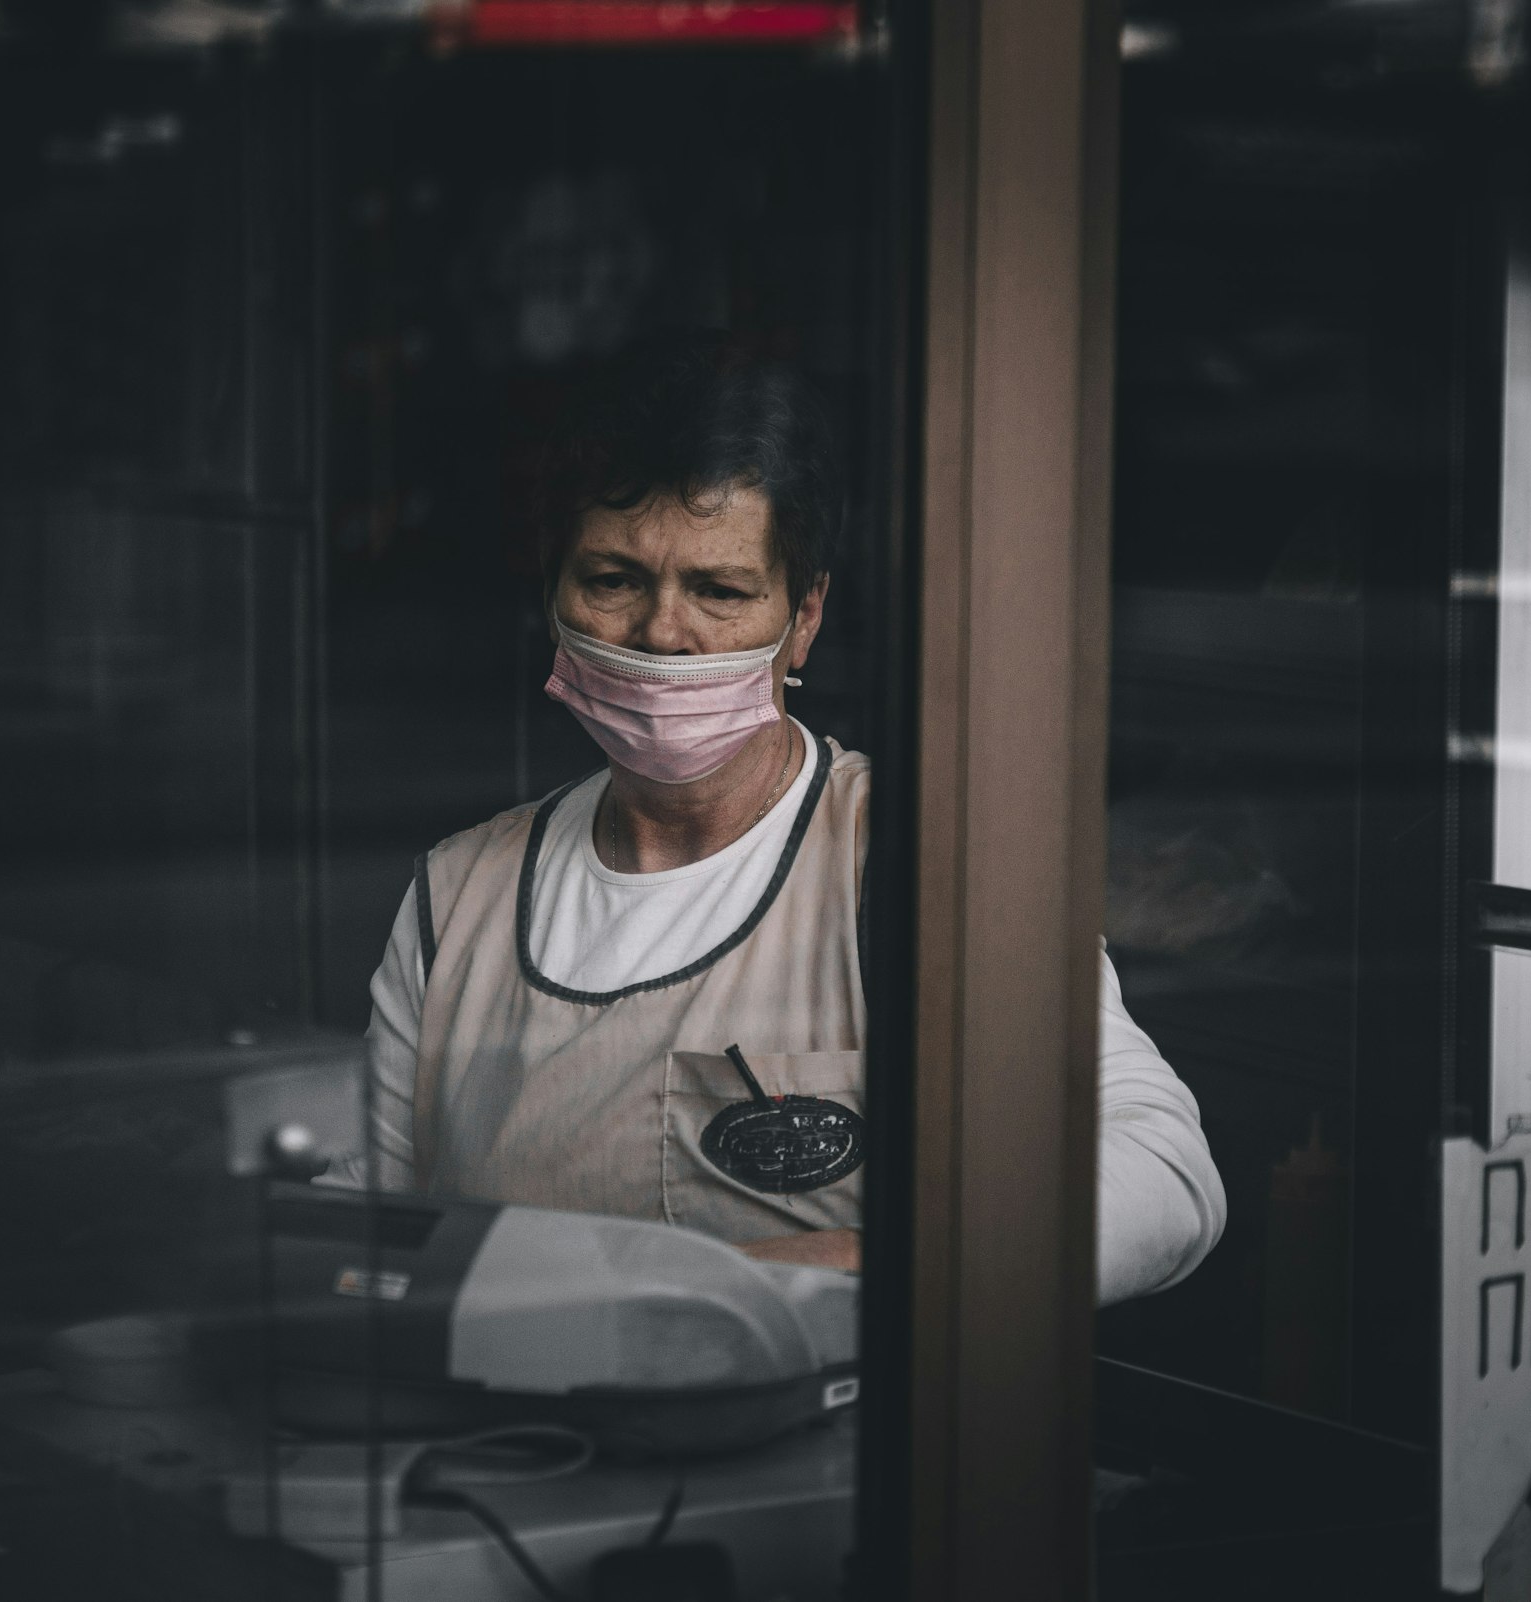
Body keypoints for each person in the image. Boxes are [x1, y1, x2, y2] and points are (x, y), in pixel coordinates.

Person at [360, 337, 1224, 1300]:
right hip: (519, 1449)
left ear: (804, 615)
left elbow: (1165, 1177)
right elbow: (366, 1223)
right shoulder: (458, 898)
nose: (662, 633)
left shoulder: (917, 860)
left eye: (720, 591)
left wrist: (846, 1268)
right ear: (553, 596)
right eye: (612, 581)